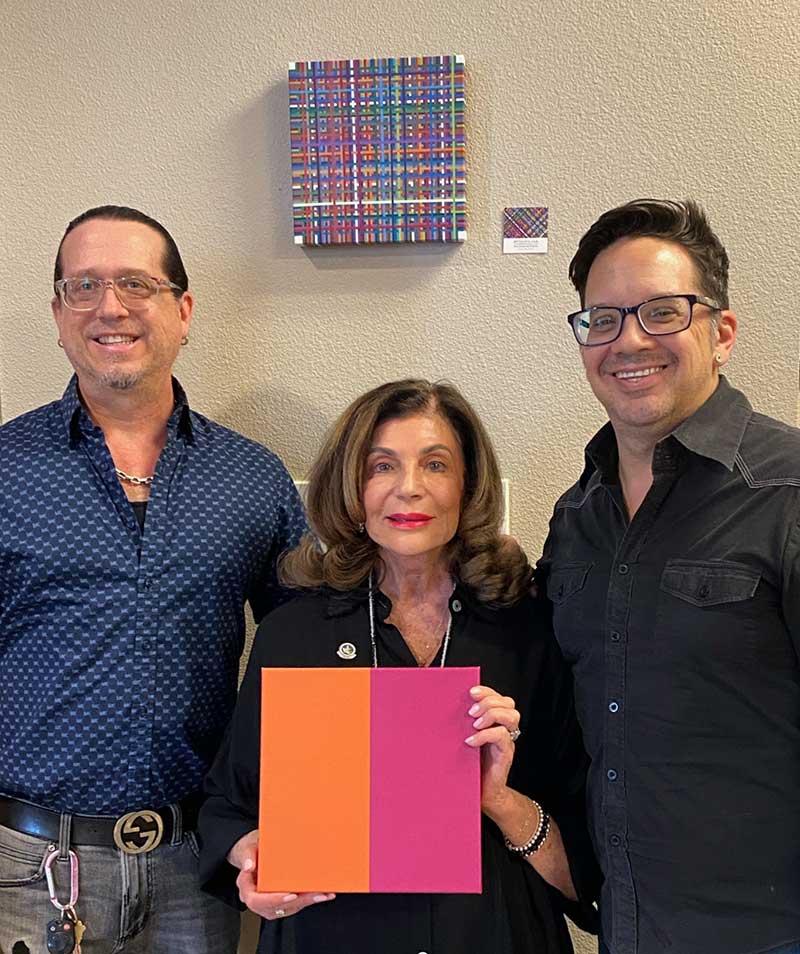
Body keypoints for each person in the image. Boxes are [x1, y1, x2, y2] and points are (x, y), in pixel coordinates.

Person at [199, 378, 600, 953]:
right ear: (351, 488)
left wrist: (497, 800)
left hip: (494, 935)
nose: (408, 489)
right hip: (330, 936)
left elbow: (588, 873)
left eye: (435, 465)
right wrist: (253, 865)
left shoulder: (528, 628)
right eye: (381, 466)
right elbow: (226, 807)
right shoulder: (295, 633)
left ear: (468, 486)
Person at [0, 206, 306, 953]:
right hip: (30, 868)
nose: (110, 306)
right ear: (59, 314)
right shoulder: (6, 469)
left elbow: (309, 654)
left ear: (183, 310)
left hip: (197, 865)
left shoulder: (254, 479)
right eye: (84, 286)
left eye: (136, 283)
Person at [538, 199, 800, 954]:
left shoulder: (785, 495)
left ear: (721, 334)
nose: (629, 341)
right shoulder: (576, 516)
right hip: (628, 928)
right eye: (603, 319)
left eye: (662, 312)